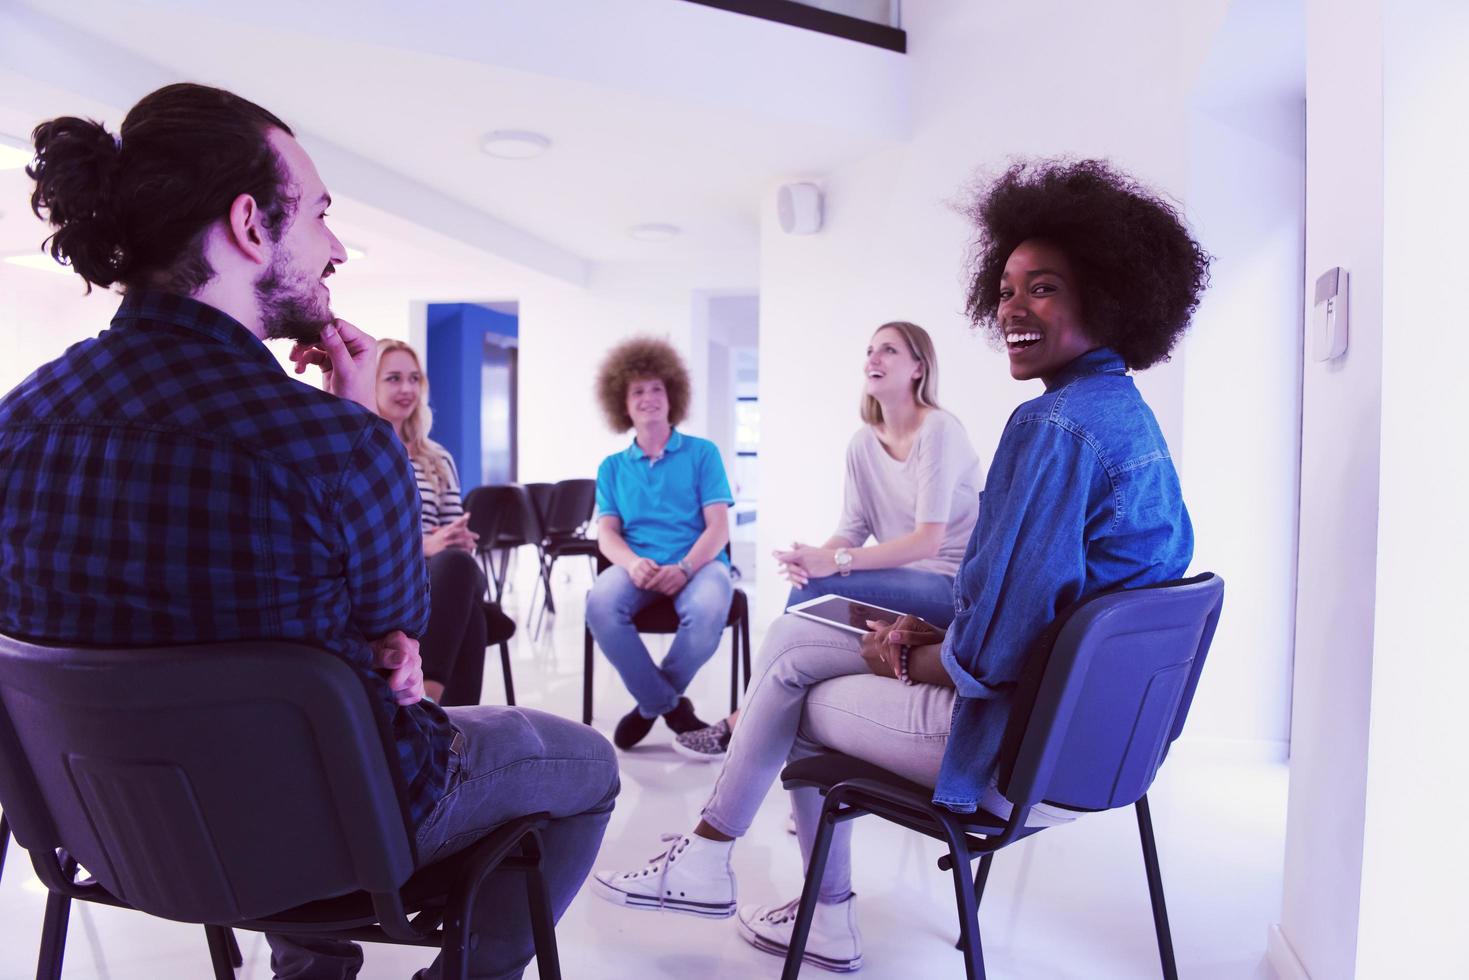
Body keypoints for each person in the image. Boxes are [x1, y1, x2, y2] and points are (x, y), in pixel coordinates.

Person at [1, 83, 619, 980]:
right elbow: (398, 637)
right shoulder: (333, 444)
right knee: (585, 766)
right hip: (334, 832)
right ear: (251, 225)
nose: (332, 247)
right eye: (321, 216)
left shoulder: (16, 423)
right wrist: (354, 425)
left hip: (110, 832)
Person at [592, 158, 1209, 974]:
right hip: (1099, 752)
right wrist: (922, 623)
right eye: (1006, 288)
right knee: (792, 637)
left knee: (796, 697)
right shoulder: (1125, 419)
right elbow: (1050, 610)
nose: (1011, 307)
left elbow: (992, 655)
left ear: (1108, 293)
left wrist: (905, 653)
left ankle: (806, 905)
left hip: (1006, 750)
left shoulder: (1053, 428)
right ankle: (711, 860)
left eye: (1044, 288)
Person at [675, 321, 982, 762]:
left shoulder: (939, 430)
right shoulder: (862, 444)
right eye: (871, 349)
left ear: (918, 368)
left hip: (951, 587)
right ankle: (802, 756)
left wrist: (833, 564)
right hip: (903, 584)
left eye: (889, 351)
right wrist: (814, 557)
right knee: (809, 595)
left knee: (812, 590)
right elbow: (853, 527)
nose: (873, 358)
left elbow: (926, 542)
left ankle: (744, 723)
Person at [584, 337, 735, 750]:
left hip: (700, 564)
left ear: (673, 396)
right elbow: (608, 533)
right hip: (638, 567)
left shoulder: (703, 454)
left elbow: (718, 527)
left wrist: (686, 567)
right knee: (599, 603)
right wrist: (632, 564)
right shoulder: (612, 468)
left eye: (656, 389)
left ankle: (649, 706)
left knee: (706, 609)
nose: (649, 398)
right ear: (623, 404)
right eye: (638, 391)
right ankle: (669, 706)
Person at [376, 338, 493, 707]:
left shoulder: (437, 457)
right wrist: (425, 545)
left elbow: (451, 523)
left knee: (458, 563)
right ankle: (448, 719)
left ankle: (429, 703)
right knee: (473, 617)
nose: (407, 388)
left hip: (445, 571)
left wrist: (457, 538)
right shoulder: (358, 452)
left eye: (414, 379)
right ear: (371, 382)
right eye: (393, 378)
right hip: (392, 575)